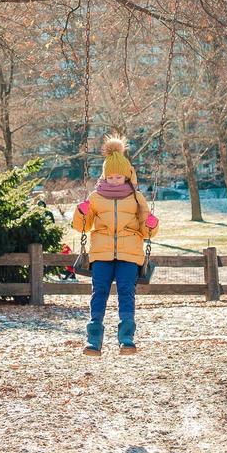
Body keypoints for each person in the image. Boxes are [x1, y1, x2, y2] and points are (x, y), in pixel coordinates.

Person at [72, 136, 159, 356]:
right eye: (110, 177)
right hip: (101, 252)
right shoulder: (95, 197)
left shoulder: (137, 198)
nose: (114, 181)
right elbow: (82, 226)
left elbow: (145, 230)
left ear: (127, 175)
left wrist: (151, 225)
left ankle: (126, 337)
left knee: (126, 292)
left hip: (129, 253)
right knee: (99, 292)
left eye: (118, 176)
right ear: (104, 176)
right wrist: (81, 212)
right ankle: (93, 340)